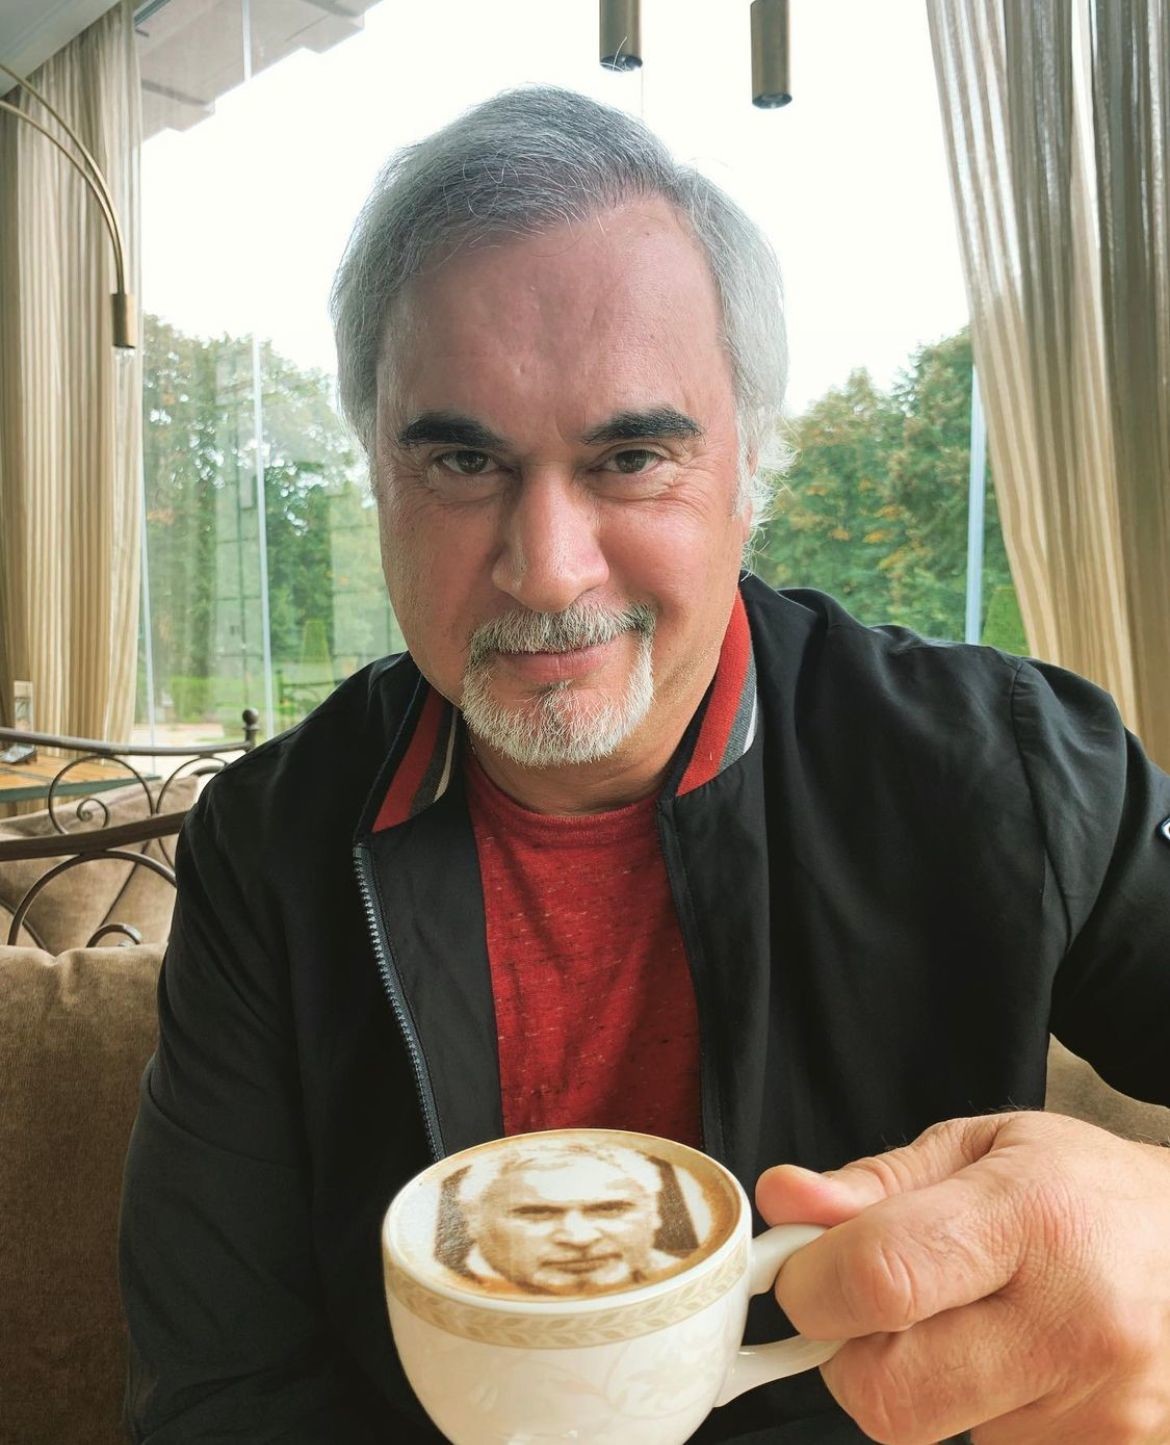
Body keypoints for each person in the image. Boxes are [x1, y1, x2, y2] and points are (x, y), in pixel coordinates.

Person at [119, 86, 1170, 1444]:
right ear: (377, 472)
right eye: (462, 459)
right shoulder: (270, 843)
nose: (548, 569)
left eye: (629, 457)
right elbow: (221, 1389)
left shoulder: (1017, 768)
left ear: (751, 471)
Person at [450, 1142, 682, 1295]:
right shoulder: (440, 1288)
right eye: (537, 1213)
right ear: (474, 1220)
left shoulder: (685, 1277)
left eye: (609, 1209)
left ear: (653, 1212)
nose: (579, 1238)